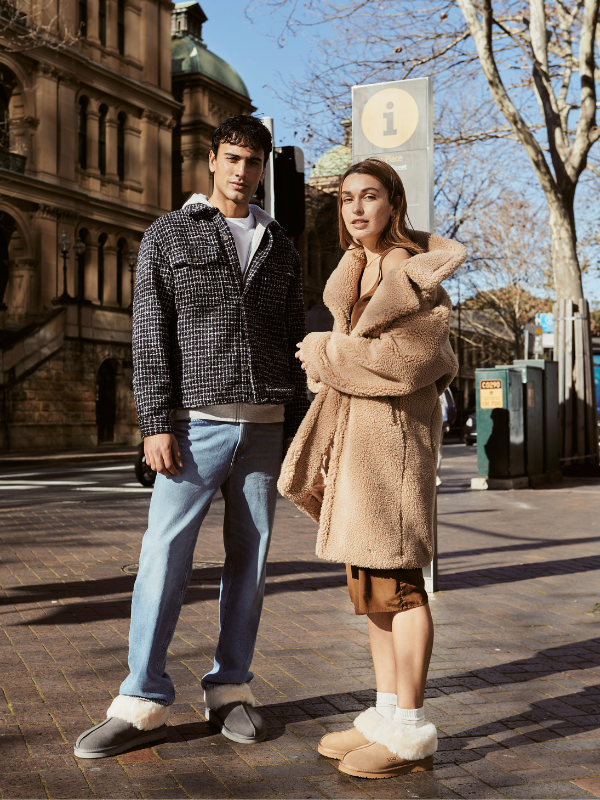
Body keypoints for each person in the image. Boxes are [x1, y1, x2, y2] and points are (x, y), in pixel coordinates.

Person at [74, 115, 308, 758]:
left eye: (253, 161)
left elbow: (294, 341)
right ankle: (141, 698)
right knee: (164, 558)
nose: (242, 171)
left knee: (250, 564)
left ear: (263, 168)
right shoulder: (169, 233)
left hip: (266, 427)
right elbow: (150, 333)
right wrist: (154, 422)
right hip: (194, 425)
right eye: (232, 157)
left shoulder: (280, 246)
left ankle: (230, 688)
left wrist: (300, 426)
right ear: (211, 160)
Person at [279, 158, 466, 779]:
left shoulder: (414, 272)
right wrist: (330, 362)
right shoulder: (355, 268)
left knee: (402, 588)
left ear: (393, 203)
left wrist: (328, 351)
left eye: (369, 196)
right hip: (359, 448)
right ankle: (385, 712)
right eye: (346, 199)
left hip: (395, 448)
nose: (356, 208)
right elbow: (359, 361)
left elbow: (412, 361)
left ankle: (410, 729)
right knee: (371, 590)